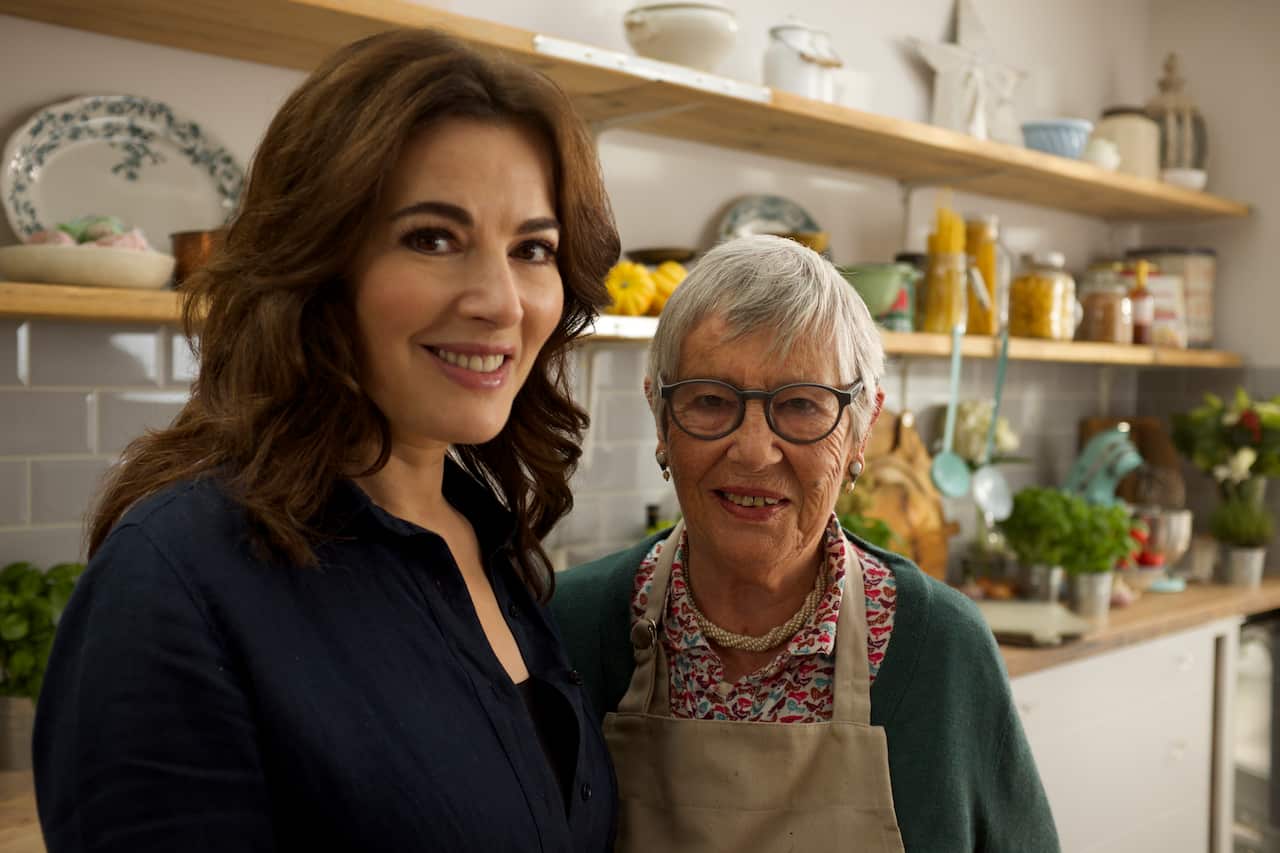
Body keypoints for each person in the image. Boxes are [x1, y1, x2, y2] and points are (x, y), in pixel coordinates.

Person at [35, 28, 620, 852]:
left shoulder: (478, 531)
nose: (501, 299)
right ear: (316, 263)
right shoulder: (175, 580)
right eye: (432, 237)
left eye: (533, 249)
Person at [552, 234, 1060, 852]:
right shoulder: (566, 629)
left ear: (861, 428)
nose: (755, 450)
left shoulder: (942, 649)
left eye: (800, 406)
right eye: (711, 401)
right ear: (660, 417)